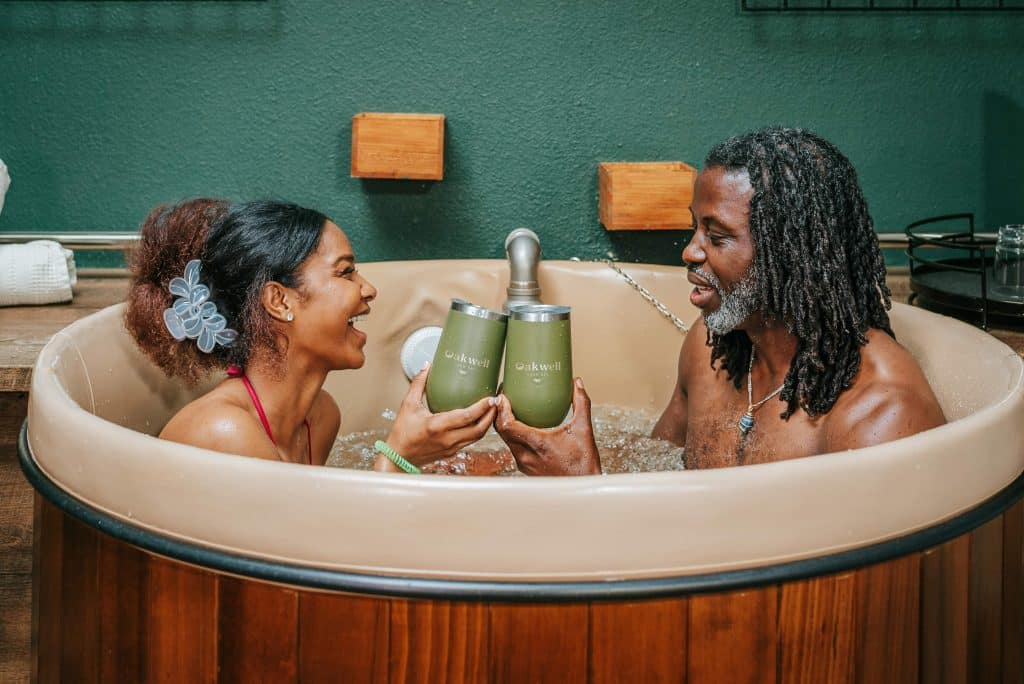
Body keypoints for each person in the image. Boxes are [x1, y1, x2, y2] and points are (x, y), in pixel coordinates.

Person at [494, 126, 946, 473]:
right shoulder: (712, 351)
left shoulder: (880, 417)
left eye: (716, 236)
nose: (690, 251)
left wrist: (582, 484)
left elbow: (809, 587)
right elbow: (657, 473)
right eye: (695, 229)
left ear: (788, 255)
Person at [126, 199, 496, 471]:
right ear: (279, 300)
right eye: (346, 272)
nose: (368, 289)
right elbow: (321, 558)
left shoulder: (320, 417)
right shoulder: (224, 432)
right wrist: (400, 456)